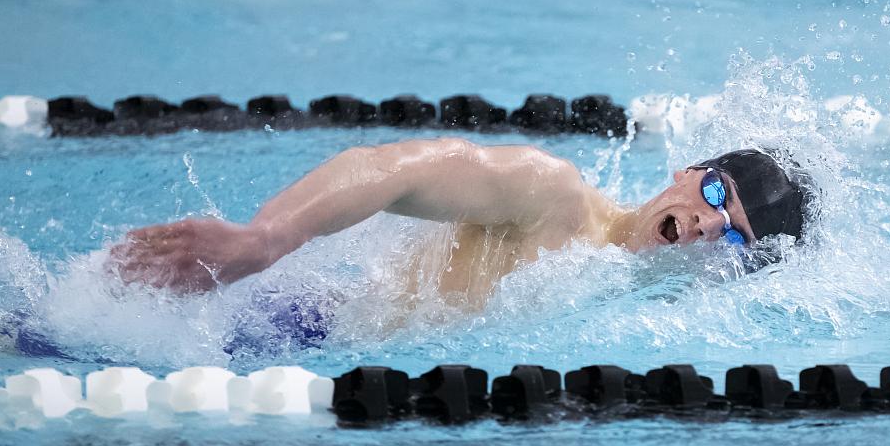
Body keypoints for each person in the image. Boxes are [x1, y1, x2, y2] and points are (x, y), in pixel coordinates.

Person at [111, 138, 815, 304]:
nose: (703, 225)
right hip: (287, 327)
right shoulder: (555, 197)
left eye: (732, 233)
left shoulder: (628, 297)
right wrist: (265, 240)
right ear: (688, 174)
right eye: (717, 197)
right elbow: (393, 169)